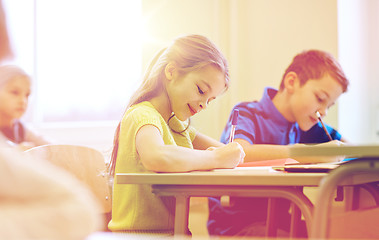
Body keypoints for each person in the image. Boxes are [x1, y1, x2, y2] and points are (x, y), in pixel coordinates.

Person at [107, 34, 245, 234]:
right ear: (171, 71)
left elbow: (225, 152)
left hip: (173, 234)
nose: (203, 105)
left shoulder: (176, 125)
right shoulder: (142, 115)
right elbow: (157, 156)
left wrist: (230, 153)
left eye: (210, 100)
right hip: (139, 236)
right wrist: (216, 157)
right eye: (200, 90)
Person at [208, 49, 349, 237]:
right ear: (292, 82)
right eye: (320, 99)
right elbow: (240, 153)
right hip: (237, 227)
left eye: (329, 106)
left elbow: (352, 149)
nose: (323, 111)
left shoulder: (306, 126)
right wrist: (304, 154)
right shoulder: (246, 112)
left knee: (342, 232)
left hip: (280, 222)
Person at [0, 65, 50, 149]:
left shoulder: (20, 127)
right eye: (14, 92)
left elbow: (50, 146)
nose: (23, 101)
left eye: (27, 95)